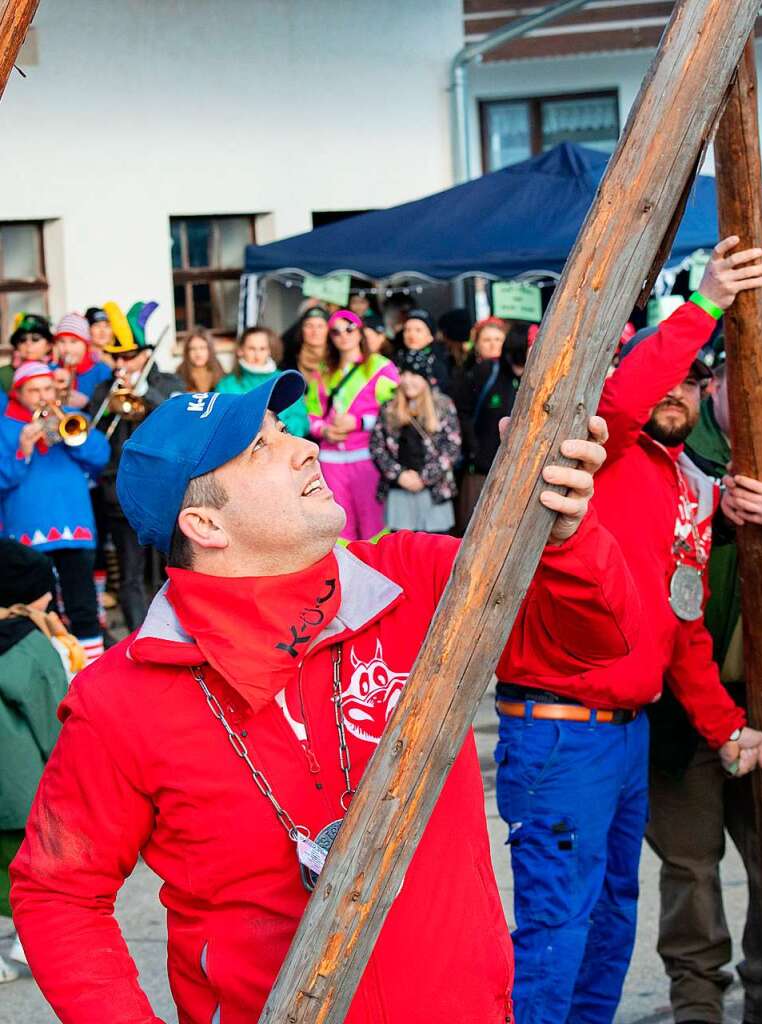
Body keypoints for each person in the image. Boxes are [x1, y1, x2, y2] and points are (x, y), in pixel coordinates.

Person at [11, 365, 643, 1023]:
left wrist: (566, 537)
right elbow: (58, 893)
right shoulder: (119, 697)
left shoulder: (412, 579)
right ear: (204, 524)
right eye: (261, 447)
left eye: (284, 429)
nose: (304, 445)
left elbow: (589, 642)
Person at [493, 237, 762, 1024]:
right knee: (556, 929)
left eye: (689, 378)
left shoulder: (688, 486)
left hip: (627, 734)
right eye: (663, 378)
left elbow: (684, 630)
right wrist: (705, 302)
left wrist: (725, 727)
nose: (673, 390)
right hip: (558, 730)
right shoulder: (597, 447)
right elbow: (620, 393)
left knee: (613, 919)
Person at [645, 359, 762, 1024]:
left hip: (758, 707)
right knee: (689, 870)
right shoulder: (673, 452)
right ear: (717, 386)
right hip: (684, 703)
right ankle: (697, 1009)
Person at [0, 362, 110, 665]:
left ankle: (92, 675)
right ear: (18, 394)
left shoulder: (74, 420)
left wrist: (73, 436)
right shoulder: (5, 426)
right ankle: (52, 673)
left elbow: (101, 457)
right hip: (27, 534)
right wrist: (23, 449)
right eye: (34, 390)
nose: (42, 396)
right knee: (39, 612)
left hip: (76, 530)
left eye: (47, 388)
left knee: (84, 607)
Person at [0, 540, 70, 983]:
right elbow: (51, 718)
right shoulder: (31, 645)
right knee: (31, 867)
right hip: (20, 783)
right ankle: (27, 945)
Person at [88, 312, 184, 633]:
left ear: (145, 354)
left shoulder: (167, 383)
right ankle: (139, 637)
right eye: (116, 357)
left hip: (164, 493)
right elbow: (93, 438)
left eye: (128, 356)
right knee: (130, 573)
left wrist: (143, 392)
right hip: (119, 494)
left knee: (172, 569)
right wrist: (109, 404)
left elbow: (178, 420)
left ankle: (176, 634)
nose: (121, 363)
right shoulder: (104, 390)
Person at [306, 309, 399, 541]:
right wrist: (324, 430)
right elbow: (311, 414)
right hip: (330, 461)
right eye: (336, 332)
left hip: (367, 457)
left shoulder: (381, 367)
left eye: (349, 328)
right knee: (338, 526)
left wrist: (357, 422)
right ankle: (345, 576)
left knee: (374, 525)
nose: (343, 336)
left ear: (360, 332)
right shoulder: (322, 373)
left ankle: (378, 573)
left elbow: (395, 414)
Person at [370, 349, 460, 533]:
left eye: (415, 374)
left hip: (433, 490)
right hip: (399, 490)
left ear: (426, 379)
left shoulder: (442, 405)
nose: (408, 380)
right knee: (401, 548)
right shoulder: (389, 407)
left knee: (435, 547)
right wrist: (399, 474)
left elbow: (452, 446)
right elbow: (377, 446)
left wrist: (424, 477)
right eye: (404, 373)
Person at [452, 318, 525, 533]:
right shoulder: (477, 373)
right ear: (477, 344)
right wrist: (474, 450)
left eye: (498, 339)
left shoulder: (519, 374)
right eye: (487, 340)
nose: (493, 345)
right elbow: (462, 414)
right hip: (481, 470)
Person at [217, 325, 309, 436]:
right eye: (251, 348)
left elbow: (301, 420)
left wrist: (280, 430)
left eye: (262, 349)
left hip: (282, 445)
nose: (257, 355)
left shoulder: (286, 381)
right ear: (240, 351)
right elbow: (222, 423)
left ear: (269, 351)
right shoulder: (226, 385)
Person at [52, 313, 112, 407]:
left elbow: (108, 409)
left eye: (74, 342)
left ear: (86, 344)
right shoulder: (51, 370)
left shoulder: (102, 370)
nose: (67, 349)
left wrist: (87, 404)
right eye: (61, 341)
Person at [393, 308, 450, 393]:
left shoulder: (439, 361)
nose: (411, 335)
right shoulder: (397, 359)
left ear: (430, 336)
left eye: (418, 330)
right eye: (407, 330)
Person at [0, 313, 53, 396]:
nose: (28, 343)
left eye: (35, 339)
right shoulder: (3, 375)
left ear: (49, 345)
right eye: (22, 339)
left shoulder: (58, 372)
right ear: (17, 346)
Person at [281, 306, 329, 378]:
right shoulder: (288, 362)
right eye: (309, 326)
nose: (315, 332)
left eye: (320, 326)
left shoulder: (337, 361)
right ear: (301, 330)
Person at [176, 326, 224, 393]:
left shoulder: (219, 371)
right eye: (193, 349)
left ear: (210, 349)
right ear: (187, 352)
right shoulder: (179, 374)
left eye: (202, 348)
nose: (198, 354)